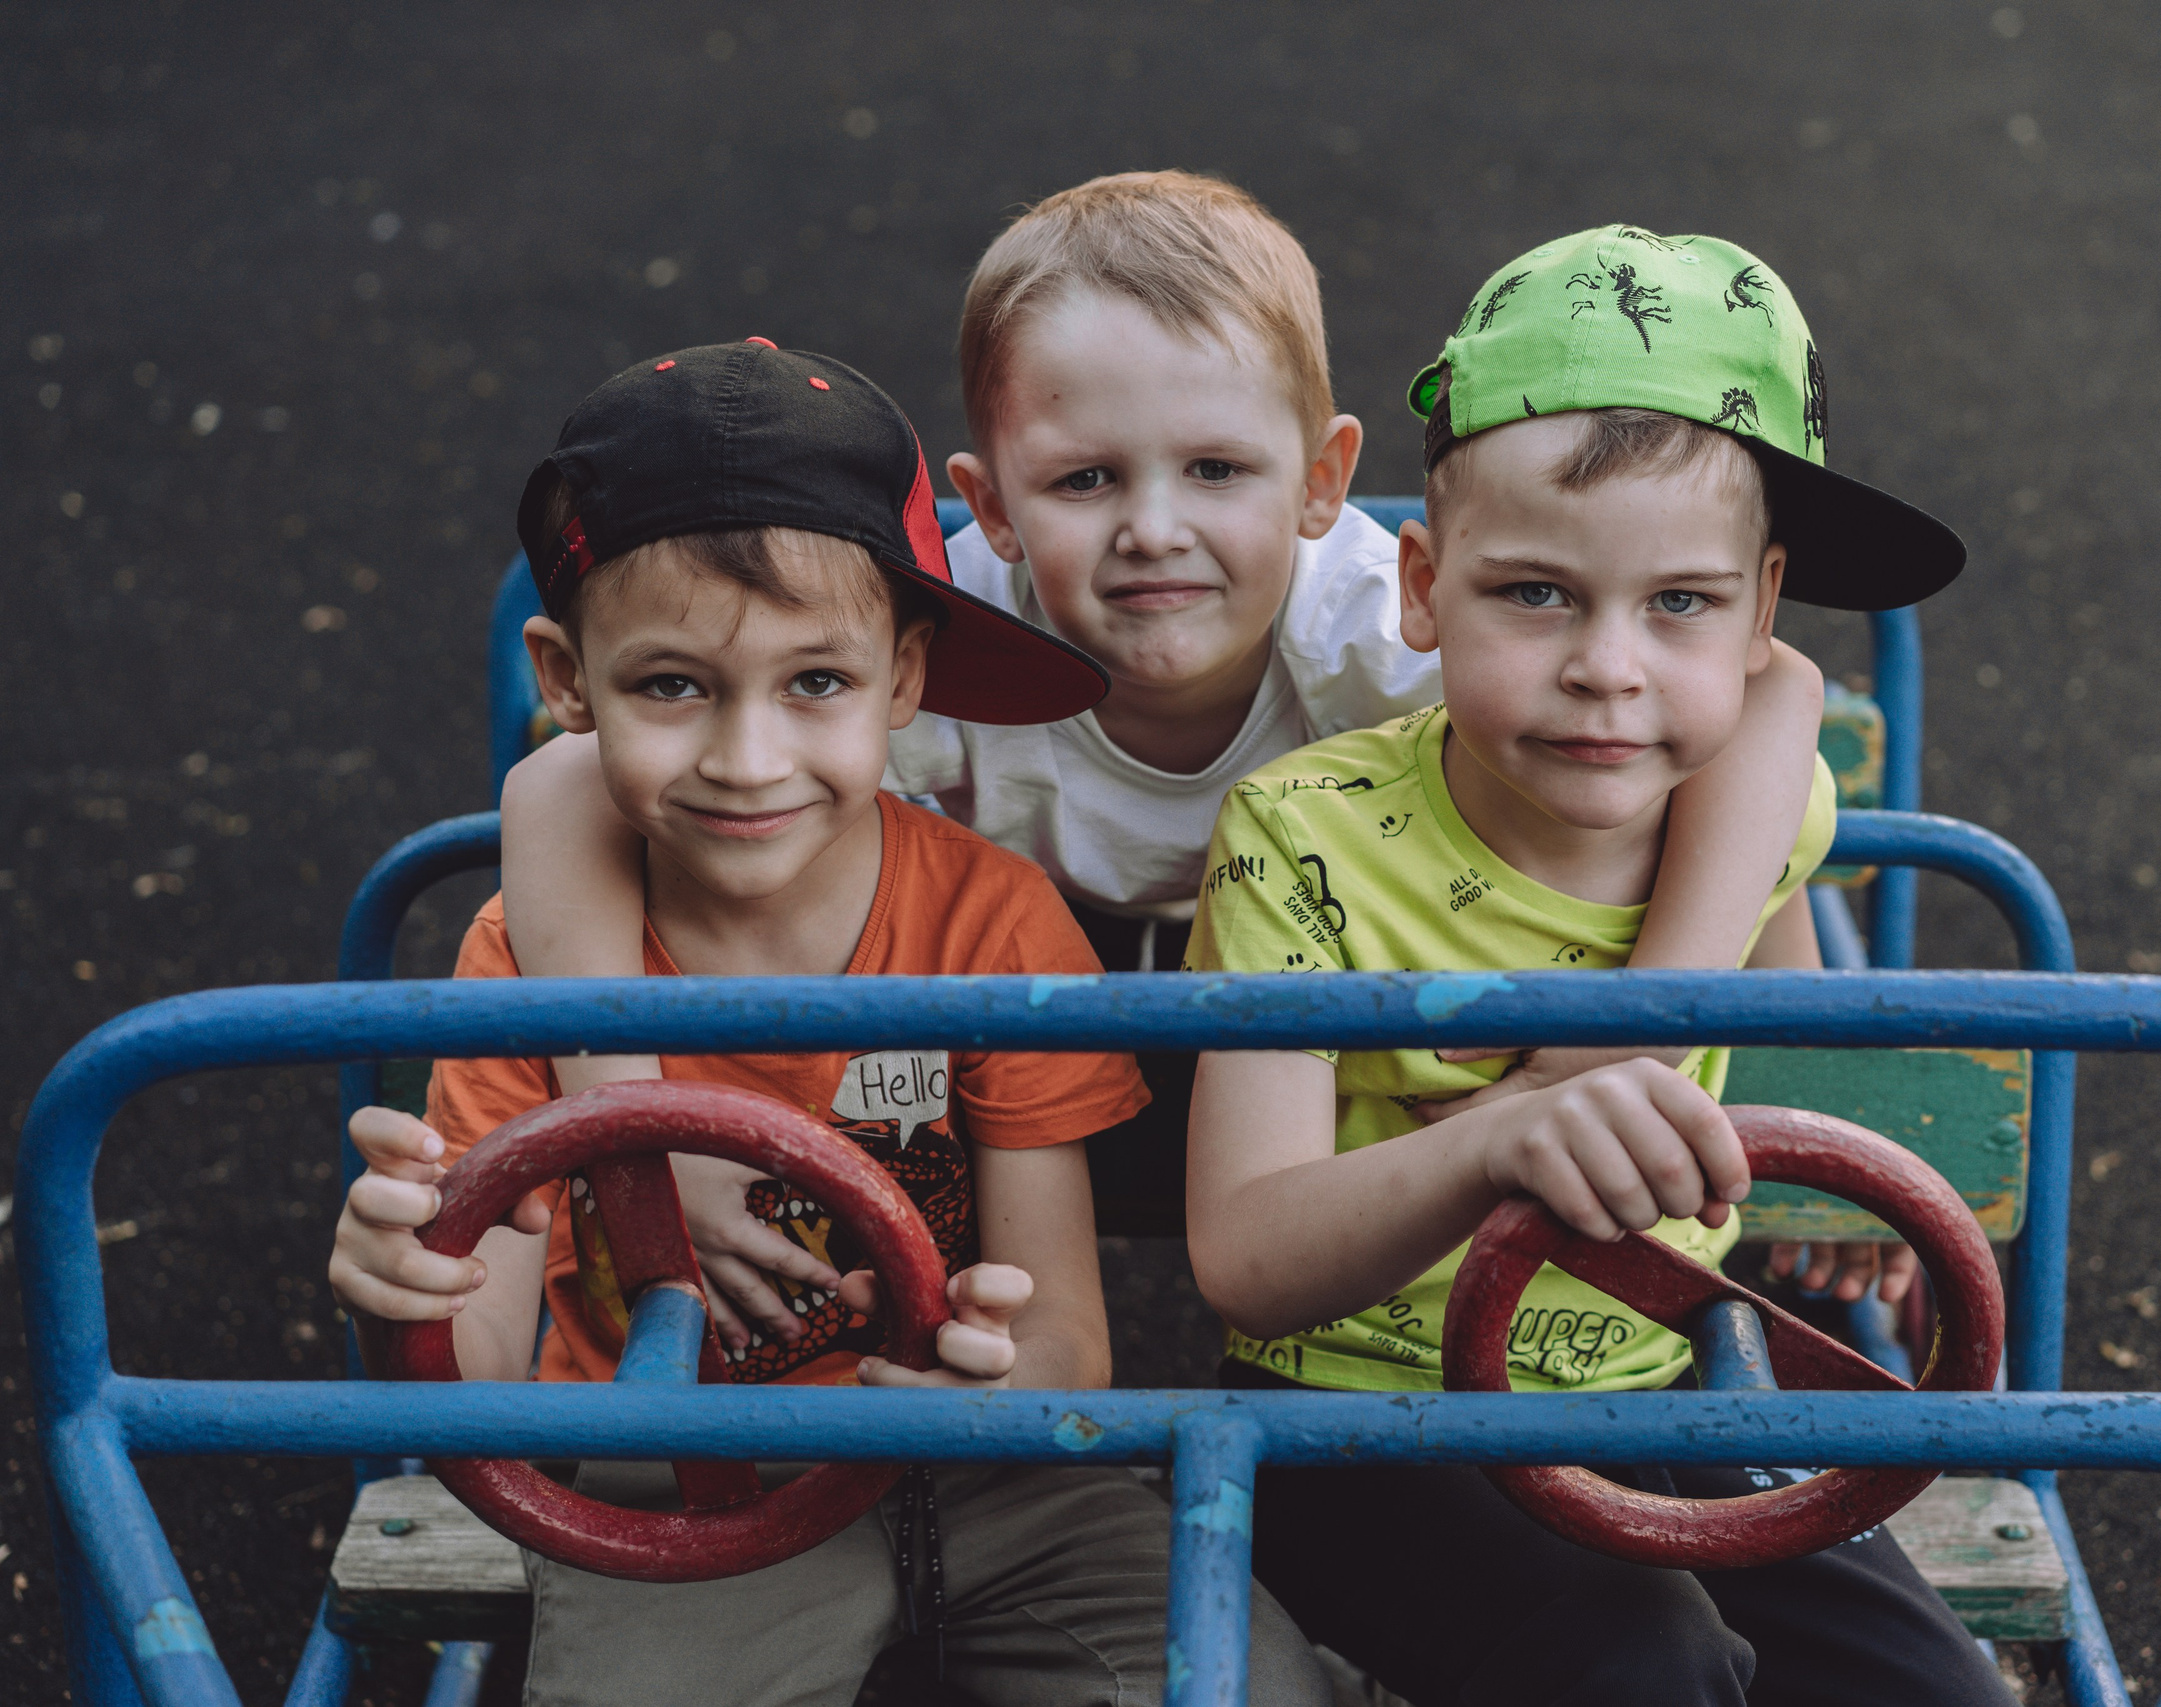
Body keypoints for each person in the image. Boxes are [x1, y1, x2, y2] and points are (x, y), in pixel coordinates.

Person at [492, 169, 1845, 1304]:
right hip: (1053, 1050)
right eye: (1086, 480)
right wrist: (637, 1134)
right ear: (992, 510)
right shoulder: (926, 662)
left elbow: (1771, 697)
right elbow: (562, 788)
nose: (1154, 529)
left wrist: (1630, 1034)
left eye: (1216, 469)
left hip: (1312, 1062)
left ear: (1321, 481)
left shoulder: (1382, 633)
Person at [326, 341, 1330, 1707]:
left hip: (993, 1481)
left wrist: (1000, 1380)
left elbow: (1066, 1344)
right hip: (674, 1477)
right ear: (568, 683)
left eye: (817, 683)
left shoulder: (990, 923)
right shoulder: (522, 963)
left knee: (1248, 1688)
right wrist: (412, 1298)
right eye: (672, 685)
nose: (748, 759)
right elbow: (484, 1379)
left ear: (904, 682)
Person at [1182, 228, 2007, 1707]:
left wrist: (1829, 1184)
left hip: (1655, 1388)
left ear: (1762, 613)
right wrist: (1506, 1132)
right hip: (1360, 1419)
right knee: (1642, 1664)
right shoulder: (1302, 839)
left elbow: (1794, 1041)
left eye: (1678, 604)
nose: (1608, 665)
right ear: (1424, 588)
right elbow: (1247, 1261)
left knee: (1928, 1689)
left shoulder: (1745, 816)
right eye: (1538, 596)